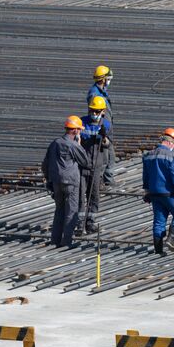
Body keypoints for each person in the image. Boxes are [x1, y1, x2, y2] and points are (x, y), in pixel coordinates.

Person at [43, 116, 90, 248]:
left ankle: (55, 240)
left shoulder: (55, 143)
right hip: (71, 182)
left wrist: (49, 180)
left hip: (56, 182)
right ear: (75, 131)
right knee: (71, 212)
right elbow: (85, 162)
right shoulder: (73, 145)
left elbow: (45, 164)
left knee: (59, 211)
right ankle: (66, 242)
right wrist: (79, 144)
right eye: (79, 130)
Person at [142, 128, 174, 255]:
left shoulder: (148, 156)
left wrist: (146, 192)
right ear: (171, 143)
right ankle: (171, 239)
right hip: (169, 194)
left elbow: (145, 176)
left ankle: (158, 251)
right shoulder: (172, 157)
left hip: (154, 194)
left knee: (159, 221)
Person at [79, 95, 114, 233]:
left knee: (94, 196)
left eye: (97, 111)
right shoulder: (82, 122)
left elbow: (108, 145)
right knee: (81, 196)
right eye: (92, 111)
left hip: (97, 165)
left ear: (103, 111)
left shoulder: (106, 125)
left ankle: (90, 222)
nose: (94, 114)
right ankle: (79, 224)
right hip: (82, 165)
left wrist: (104, 138)